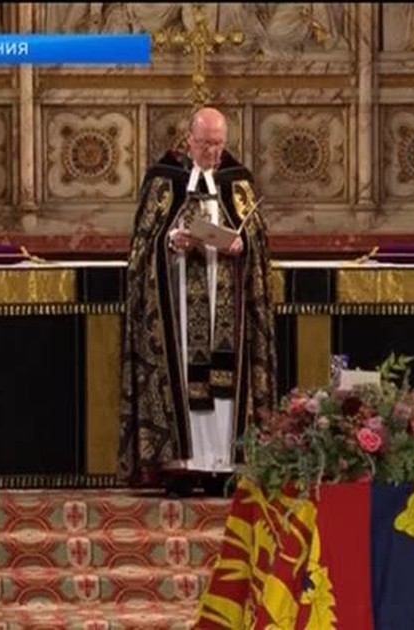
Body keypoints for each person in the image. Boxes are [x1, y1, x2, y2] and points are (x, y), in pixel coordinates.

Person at [118, 107, 278, 496]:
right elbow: (142, 245)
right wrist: (170, 241)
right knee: (185, 380)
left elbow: (258, 243)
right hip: (178, 309)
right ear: (189, 140)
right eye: (205, 144)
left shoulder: (237, 182)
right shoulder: (164, 180)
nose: (213, 152)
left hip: (226, 304)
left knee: (225, 385)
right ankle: (181, 468)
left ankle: (224, 467)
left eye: (219, 144)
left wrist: (242, 245)